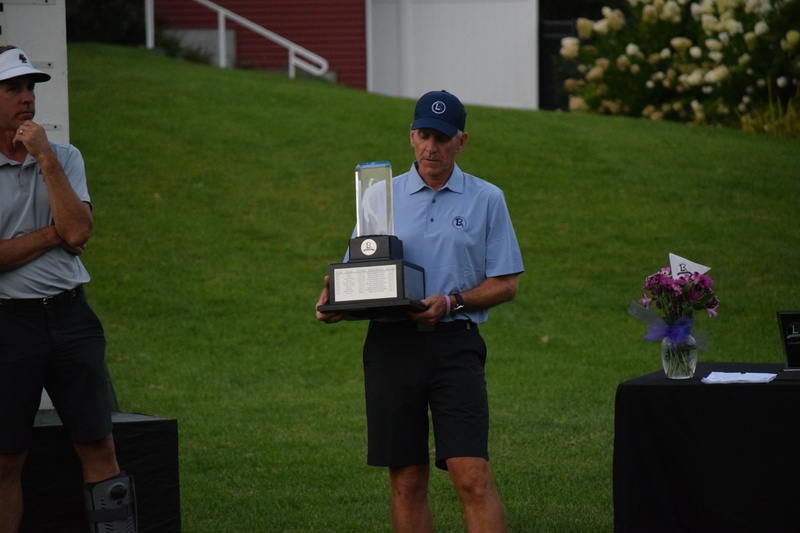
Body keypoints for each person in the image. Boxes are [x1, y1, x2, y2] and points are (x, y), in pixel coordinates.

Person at [316, 90, 524, 533]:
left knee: (472, 476)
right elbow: (359, 270)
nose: (432, 147)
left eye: (442, 138)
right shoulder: (379, 195)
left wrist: (452, 302)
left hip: (455, 345)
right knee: (407, 480)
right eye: (424, 135)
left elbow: (506, 284)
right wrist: (334, 302)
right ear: (411, 136)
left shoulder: (487, 198)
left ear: (461, 142)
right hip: (391, 347)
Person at [0, 46, 137, 533]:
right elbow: (64, 232)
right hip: (8, 324)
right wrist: (53, 235)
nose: (27, 98)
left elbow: (78, 230)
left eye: (31, 88)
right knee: (6, 458)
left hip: (71, 317)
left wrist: (45, 158)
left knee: (100, 445)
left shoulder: (64, 157)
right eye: (13, 88)